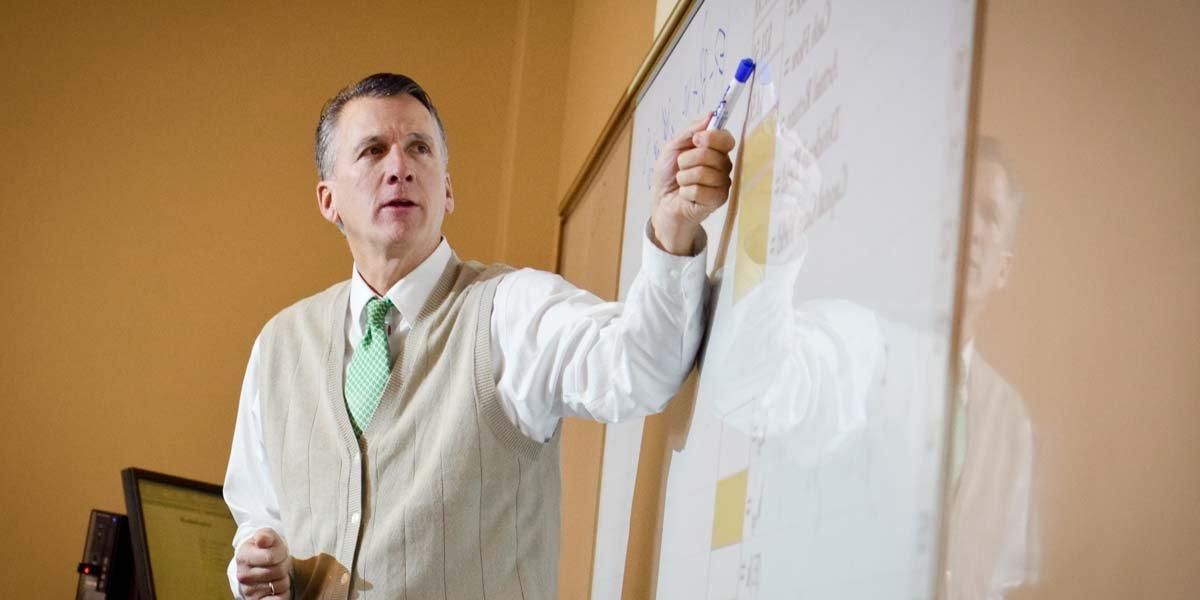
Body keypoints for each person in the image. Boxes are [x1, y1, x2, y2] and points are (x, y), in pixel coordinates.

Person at [222, 72, 735, 599]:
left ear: (446, 190)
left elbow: (641, 367)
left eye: (419, 149)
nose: (399, 168)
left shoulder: (510, 312)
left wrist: (673, 228)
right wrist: (257, 567)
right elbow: (257, 515)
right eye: (373, 151)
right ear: (328, 200)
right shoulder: (278, 347)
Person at [942, 135, 1039, 599]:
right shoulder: (865, 365)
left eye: (991, 215)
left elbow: (1003, 584)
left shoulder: (1013, 419)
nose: (974, 229)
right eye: (962, 203)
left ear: (1003, 268)